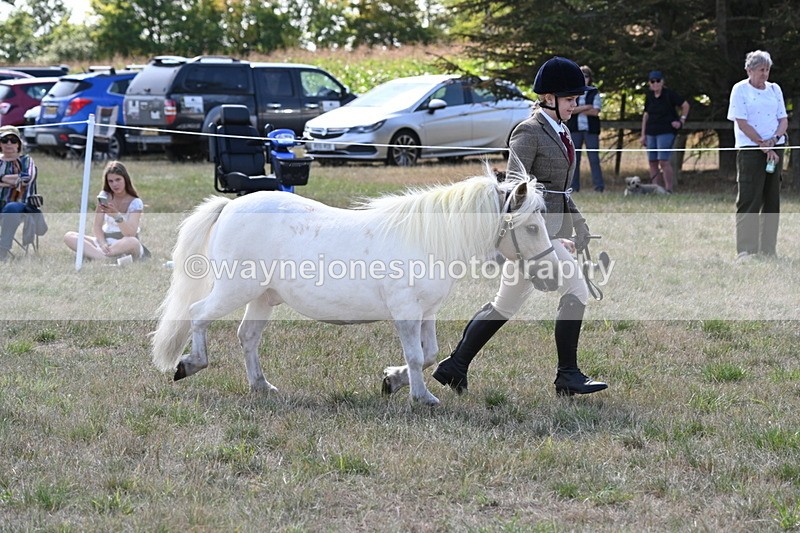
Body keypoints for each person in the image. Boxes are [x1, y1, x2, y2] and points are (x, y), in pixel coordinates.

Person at [432, 56, 607, 397]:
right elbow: (517, 188)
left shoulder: (561, 129)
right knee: (576, 288)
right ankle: (567, 377)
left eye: (576, 99)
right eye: (571, 99)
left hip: (550, 231)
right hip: (532, 236)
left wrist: (579, 225)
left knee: (505, 304)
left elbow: (560, 190)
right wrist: (549, 235)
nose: (576, 104)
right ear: (549, 98)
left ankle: (454, 366)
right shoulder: (529, 132)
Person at [727, 50, 788, 261]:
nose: (765, 74)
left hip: (775, 150)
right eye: (761, 70)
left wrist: (775, 140)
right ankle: (746, 250)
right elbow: (741, 122)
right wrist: (762, 145)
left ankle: (768, 250)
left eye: (767, 69)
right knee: (749, 199)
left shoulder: (775, 89)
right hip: (751, 151)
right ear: (749, 70)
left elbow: (783, 119)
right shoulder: (740, 90)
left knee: (772, 200)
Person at [64, 161, 146, 260]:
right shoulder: (104, 196)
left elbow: (130, 233)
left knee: (132, 241)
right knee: (69, 236)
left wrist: (116, 215)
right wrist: (103, 243)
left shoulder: (135, 202)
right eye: (110, 181)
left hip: (124, 242)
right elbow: (97, 226)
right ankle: (105, 257)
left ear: (125, 179)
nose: (115, 184)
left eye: (118, 179)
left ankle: (96, 255)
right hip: (105, 241)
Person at [640, 70, 690, 193]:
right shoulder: (649, 96)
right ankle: (655, 188)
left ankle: (668, 189)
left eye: (657, 81)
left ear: (662, 82)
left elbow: (685, 105)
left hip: (666, 131)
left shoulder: (670, 94)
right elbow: (646, 115)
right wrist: (643, 134)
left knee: (663, 160)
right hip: (651, 131)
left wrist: (681, 121)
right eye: (652, 81)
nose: (655, 84)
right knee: (652, 161)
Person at [0, 125, 37, 261]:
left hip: (19, 205)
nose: (9, 143)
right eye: (4, 140)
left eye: (13, 140)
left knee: (12, 207)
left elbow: (26, 179)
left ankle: (3, 250)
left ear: (19, 143)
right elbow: (19, 179)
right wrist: (13, 180)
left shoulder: (26, 161)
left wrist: (1, 178)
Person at [567, 65, 605, 192]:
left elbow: (595, 112)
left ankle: (599, 187)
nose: (584, 78)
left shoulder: (594, 92)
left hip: (591, 131)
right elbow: (569, 110)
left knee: (594, 159)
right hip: (575, 130)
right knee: (574, 159)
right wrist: (586, 107)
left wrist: (579, 110)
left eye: (586, 76)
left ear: (590, 78)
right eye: (581, 76)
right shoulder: (572, 92)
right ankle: (574, 187)